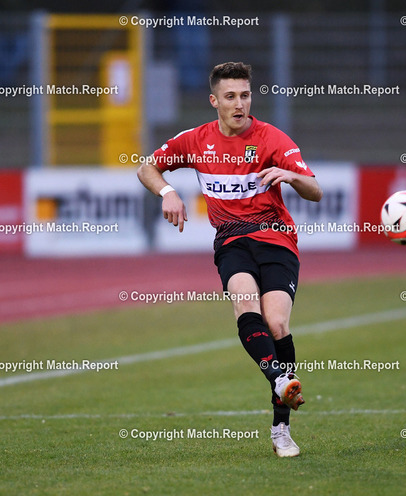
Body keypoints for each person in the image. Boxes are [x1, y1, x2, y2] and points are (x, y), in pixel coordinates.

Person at [137, 61, 322, 457]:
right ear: (214, 101)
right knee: (244, 303)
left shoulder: (272, 138)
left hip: (276, 237)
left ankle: (281, 429)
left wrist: (290, 176)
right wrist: (168, 192)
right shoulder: (196, 140)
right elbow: (146, 167)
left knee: (276, 323)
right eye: (231, 96)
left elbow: (315, 190)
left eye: (245, 95)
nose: (239, 104)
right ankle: (279, 379)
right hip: (232, 240)